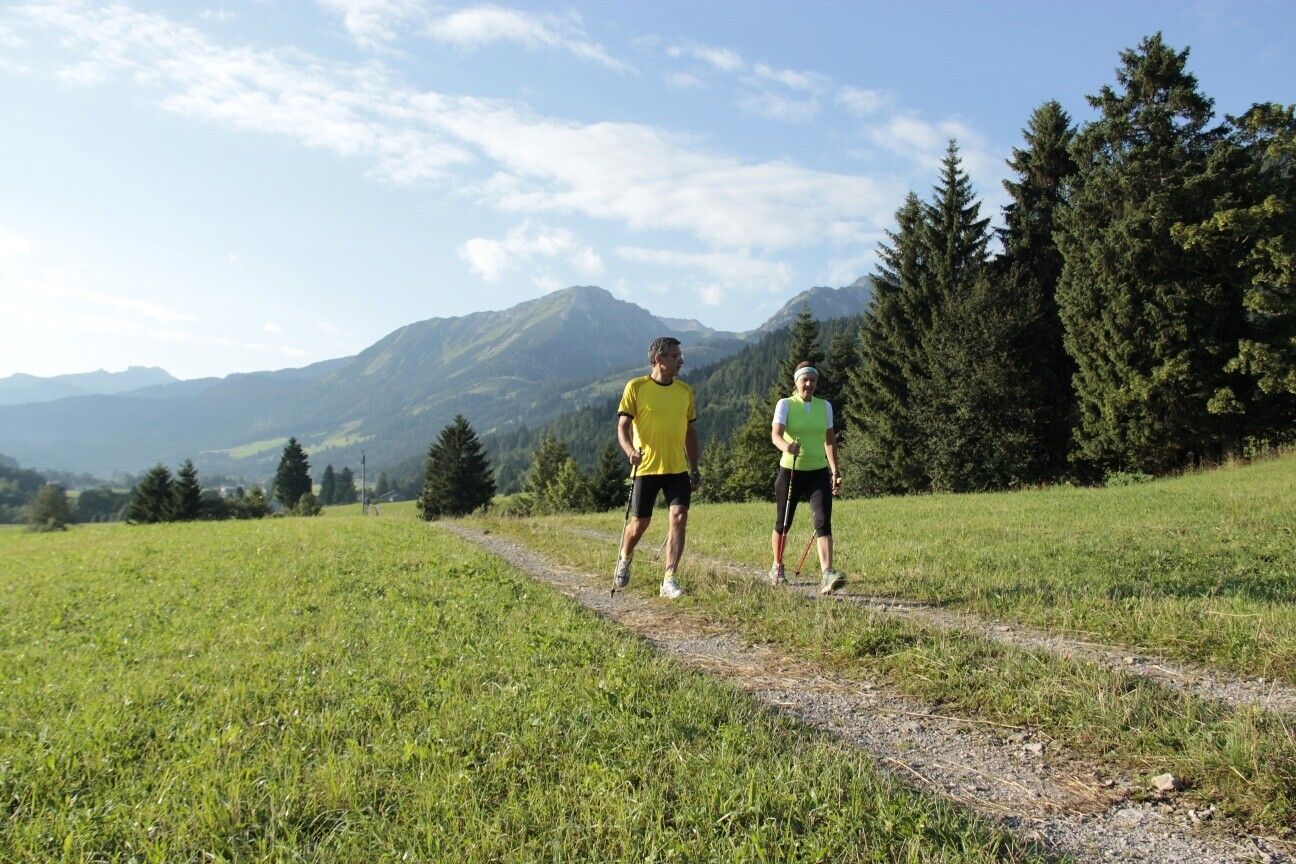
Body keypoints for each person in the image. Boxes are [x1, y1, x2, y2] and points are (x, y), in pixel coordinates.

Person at [613, 336, 701, 599]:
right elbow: (623, 427)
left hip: (677, 469)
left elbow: (690, 433)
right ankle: (625, 556)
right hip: (646, 468)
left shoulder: (685, 391)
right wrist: (630, 451)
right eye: (676, 356)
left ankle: (669, 579)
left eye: (680, 356)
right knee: (640, 523)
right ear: (659, 359)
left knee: (679, 517)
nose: (681, 361)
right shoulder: (636, 387)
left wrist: (694, 468)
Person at [769, 360, 845, 594]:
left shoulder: (825, 406)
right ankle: (777, 567)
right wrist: (786, 446)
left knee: (823, 521)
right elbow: (775, 435)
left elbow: (829, 441)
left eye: (813, 380)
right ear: (796, 382)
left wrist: (834, 470)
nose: (809, 384)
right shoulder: (785, 404)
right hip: (790, 471)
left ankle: (827, 574)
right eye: (805, 380)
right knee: (783, 522)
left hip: (818, 472)